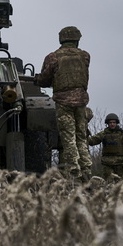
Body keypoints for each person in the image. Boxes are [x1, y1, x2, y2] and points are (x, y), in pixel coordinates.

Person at [34, 26, 92, 182]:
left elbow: (45, 79)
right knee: (81, 137)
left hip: (63, 102)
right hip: (81, 102)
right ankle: (87, 169)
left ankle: (75, 173)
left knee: (68, 139)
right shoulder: (85, 56)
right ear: (76, 39)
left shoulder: (53, 57)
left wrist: (37, 80)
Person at [88, 113, 123, 180]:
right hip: (107, 163)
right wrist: (84, 134)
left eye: (114, 122)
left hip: (119, 163)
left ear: (116, 123)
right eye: (110, 122)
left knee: (119, 184)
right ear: (108, 123)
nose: (112, 124)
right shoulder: (103, 134)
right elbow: (92, 141)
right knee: (108, 182)